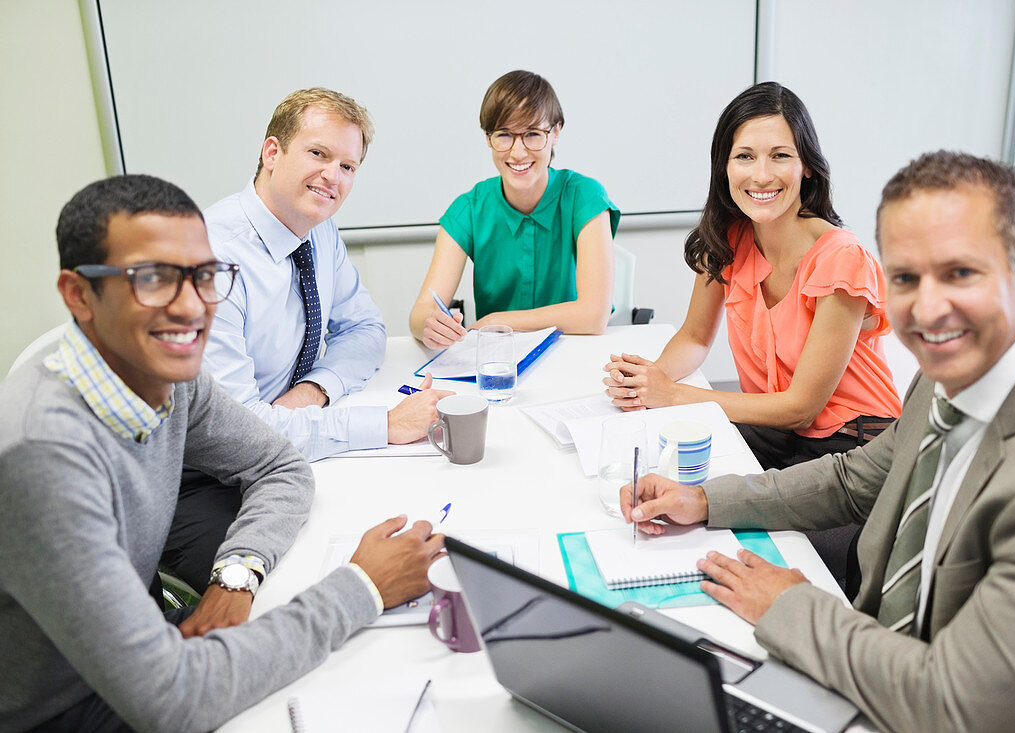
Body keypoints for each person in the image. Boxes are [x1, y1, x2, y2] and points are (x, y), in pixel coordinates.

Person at [621, 152, 1015, 732]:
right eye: (904, 277)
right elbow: (852, 480)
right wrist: (705, 500)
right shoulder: (949, 374)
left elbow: (953, 706)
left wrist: (792, 607)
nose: (927, 309)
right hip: (870, 680)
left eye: (960, 273)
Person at [0, 175, 444, 732]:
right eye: (155, 279)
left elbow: (279, 465)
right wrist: (363, 587)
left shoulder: (168, 374)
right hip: (65, 707)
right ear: (78, 295)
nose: (191, 308)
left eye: (205, 276)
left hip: (144, 648)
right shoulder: (41, 457)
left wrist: (235, 575)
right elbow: (171, 700)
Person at [166, 88, 451, 592]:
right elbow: (239, 434)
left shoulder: (316, 231)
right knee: (303, 587)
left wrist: (312, 393)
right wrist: (385, 424)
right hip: (193, 479)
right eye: (319, 154)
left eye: (348, 166)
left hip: (275, 451)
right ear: (272, 153)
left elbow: (364, 331)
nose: (333, 177)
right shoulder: (208, 261)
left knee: (391, 528)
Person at [603, 82, 902, 470]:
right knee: (654, 467)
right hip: (778, 434)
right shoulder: (726, 240)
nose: (761, 176)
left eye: (780, 156)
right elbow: (695, 337)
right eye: (745, 156)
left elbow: (800, 408)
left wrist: (671, 394)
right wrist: (649, 381)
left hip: (856, 443)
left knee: (711, 500)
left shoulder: (842, 258)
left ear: (806, 166)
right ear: (725, 166)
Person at [409, 70, 619, 349]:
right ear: (488, 138)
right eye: (504, 135)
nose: (518, 153)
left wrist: (497, 320)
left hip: (572, 351)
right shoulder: (468, 209)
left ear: (556, 133)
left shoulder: (584, 195)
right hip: (498, 360)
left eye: (533, 134)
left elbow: (593, 316)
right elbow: (421, 311)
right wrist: (430, 325)